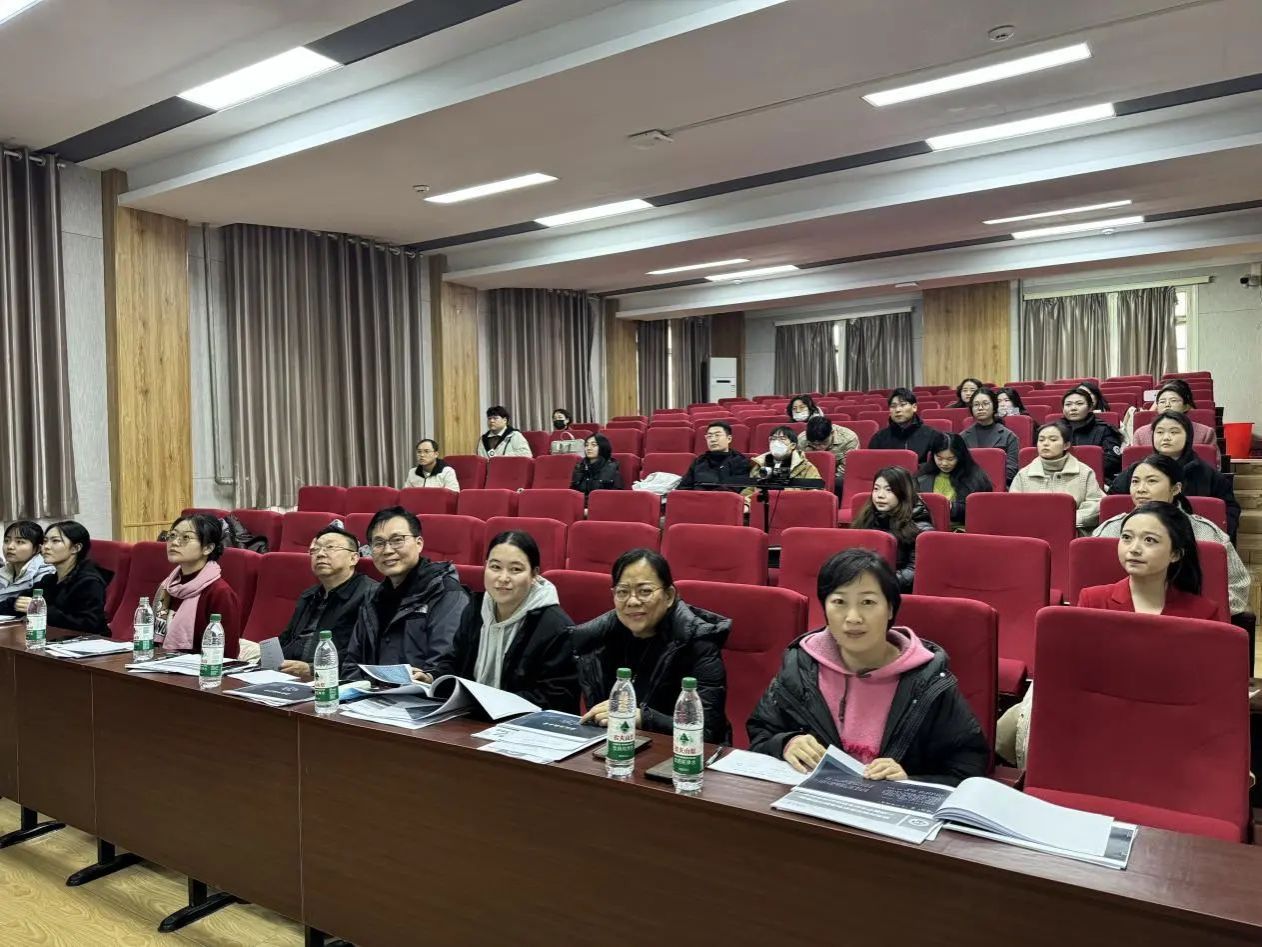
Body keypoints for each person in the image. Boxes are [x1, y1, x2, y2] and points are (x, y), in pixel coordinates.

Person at [997, 501, 1225, 768]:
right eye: (1127, 538)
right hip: (1096, 719)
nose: (1134, 548)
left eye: (1150, 540)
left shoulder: (1202, 613)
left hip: (1167, 726)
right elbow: (1075, 671)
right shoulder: (1093, 599)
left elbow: (1206, 690)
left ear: (1175, 553)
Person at [747, 548, 988, 784]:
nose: (853, 617)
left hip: (889, 807)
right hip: (809, 803)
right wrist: (786, 743)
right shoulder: (801, 666)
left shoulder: (928, 680)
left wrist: (909, 780)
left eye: (868, 602)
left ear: (890, 608)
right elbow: (761, 732)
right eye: (839, 602)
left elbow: (968, 766)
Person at [574, 549, 730, 743]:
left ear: (669, 595)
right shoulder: (598, 639)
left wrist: (644, 718)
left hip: (681, 752)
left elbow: (708, 731)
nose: (632, 601)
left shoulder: (699, 641)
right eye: (623, 592)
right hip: (616, 746)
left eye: (645, 591)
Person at [426, 531, 578, 711]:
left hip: (521, 722)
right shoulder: (475, 609)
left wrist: (489, 703)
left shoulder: (556, 627)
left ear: (534, 574)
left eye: (515, 570)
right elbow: (454, 662)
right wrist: (431, 677)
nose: (503, 578)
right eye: (495, 567)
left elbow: (557, 698)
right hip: (473, 715)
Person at [1093, 453, 1250, 616]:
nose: (1140, 489)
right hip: (1118, 617)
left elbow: (1238, 588)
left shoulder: (1206, 533)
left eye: (1151, 481)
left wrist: (1202, 614)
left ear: (1175, 488)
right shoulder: (1109, 530)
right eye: (1135, 481)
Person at [344, 507, 470, 680]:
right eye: (379, 543)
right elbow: (351, 664)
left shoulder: (447, 593)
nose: (387, 550)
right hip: (371, 694)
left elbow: (445, 666)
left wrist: (427, 678)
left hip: (422, 694)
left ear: (419, 544)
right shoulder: (372, 597)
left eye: (397, 540)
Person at [1109, 410, 1240, 540]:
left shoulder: (1207, 473)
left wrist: (1214, 535)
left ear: (1188, 436)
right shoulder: (1137, 470)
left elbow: (1229, 511)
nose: (1166, 437)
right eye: (1160, 432)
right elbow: (1113, 500)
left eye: (1174, 432)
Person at [277, 525, 378, 677]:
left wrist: (312, 669)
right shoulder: (309, 595)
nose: (320, 554)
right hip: (288, 672)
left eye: (330, 548)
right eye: (315, 550)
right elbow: (286, 639)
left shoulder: (371, 595)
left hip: (331, 679)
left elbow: (367, 655)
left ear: (353, 558)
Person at [153, 513, 241, 656]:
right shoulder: (167, 587)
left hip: (201, 668)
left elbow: (227, 655)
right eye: (172, 535)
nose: (174, 542)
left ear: (208, 548)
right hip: (160, 662)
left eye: (185, 537)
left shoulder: (220, 593)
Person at [12, 521, 112, 637]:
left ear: (76, 548)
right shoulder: (50, 579)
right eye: (45, 541)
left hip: (89, 643)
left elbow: (89, 624)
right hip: (57, 639)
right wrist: (18, 605)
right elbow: (20, 600)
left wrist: (42, 610)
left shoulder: (90, 582)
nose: (46, 547)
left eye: (55, 541)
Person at [851, 466, 934, 591]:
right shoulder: (867, 517)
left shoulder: (921, 528)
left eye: (889, 490)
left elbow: (915, 571)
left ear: (903, 493)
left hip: (897, 591)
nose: (880, 495)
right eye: (876, 489)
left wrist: (881, 582)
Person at [1010, 419, 1103, 530]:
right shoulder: (1024, 474)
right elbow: (1013, 506)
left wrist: (1068, 520)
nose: (1045, 443)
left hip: (1073, 530)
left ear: (1066, 445)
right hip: (1032, 530)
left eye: (1053, 440)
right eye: (1041, 440)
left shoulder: (1084, 472)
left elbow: (1096, 504)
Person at [917, 433, 993, 527]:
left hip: (962, 529)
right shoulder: (922, 477)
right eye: (939, 458)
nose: (944, 463)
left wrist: (952, 508)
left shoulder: (976, 478)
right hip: (927, 527)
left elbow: (980, 511)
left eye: (950, 459)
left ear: (960, 456)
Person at [1131, 381, 1218, 462]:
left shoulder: (1205, 433)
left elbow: (1214, 466)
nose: (1167, 405)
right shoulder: (1140, 434)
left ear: (1186, 406)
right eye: (1162, 402)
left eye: (1173, 401)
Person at [743, 425, 822, 505]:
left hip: (793, 507)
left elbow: (816, 494)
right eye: (773, 439)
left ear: (793, 445)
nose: (776, 442)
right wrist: (747, 505)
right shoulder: (759, 465)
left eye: (782, 439)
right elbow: (749, 491)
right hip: (762, 507)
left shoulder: (806, 467)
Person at [1061, 386, 1123, 481]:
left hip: (1095, 479)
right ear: (1063, 408)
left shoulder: (1104, 429)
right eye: (1068, 404)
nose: (1073, 408)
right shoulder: (1055, 429)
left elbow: (1112, 460)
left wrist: (1080, 472)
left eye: (1079, 404)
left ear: (1090, 407)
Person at [960, 388, 1019, 485]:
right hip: (968, 486)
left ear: (994, 407)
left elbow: (1011, 471)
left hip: (998, 486)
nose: (980, 408)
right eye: (976, 405)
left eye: (985, 403)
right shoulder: (962, 437)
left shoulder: (1009, 436)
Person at [869, 388, 938, 463]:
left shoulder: (931, 435)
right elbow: (872, 464)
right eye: (893, 406)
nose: (897, 410)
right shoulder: (879, 438)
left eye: (902, 405)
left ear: (914, 407)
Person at [676, 421, 749, 492]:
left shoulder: (740, 461)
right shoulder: (699, 461)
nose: (713, 440)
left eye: (717, 435)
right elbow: (684, 487)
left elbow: (736, 488)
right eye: (709, 436)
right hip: (695, 498)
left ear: (729, 439)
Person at [0, 521, 54, 613]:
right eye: (6, 541)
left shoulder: (46, 574)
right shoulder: (4, 571)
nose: (10, 546)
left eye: (19, 542)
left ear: (37, 549)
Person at [797, 413, 860, 492]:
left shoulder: (849, 439)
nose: (818, 447)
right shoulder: (802, 440)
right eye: (813, 444)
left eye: (823, 443)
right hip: (811, 475)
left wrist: (827, 483)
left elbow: (846, 468)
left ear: (832, 433)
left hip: (837, 477)